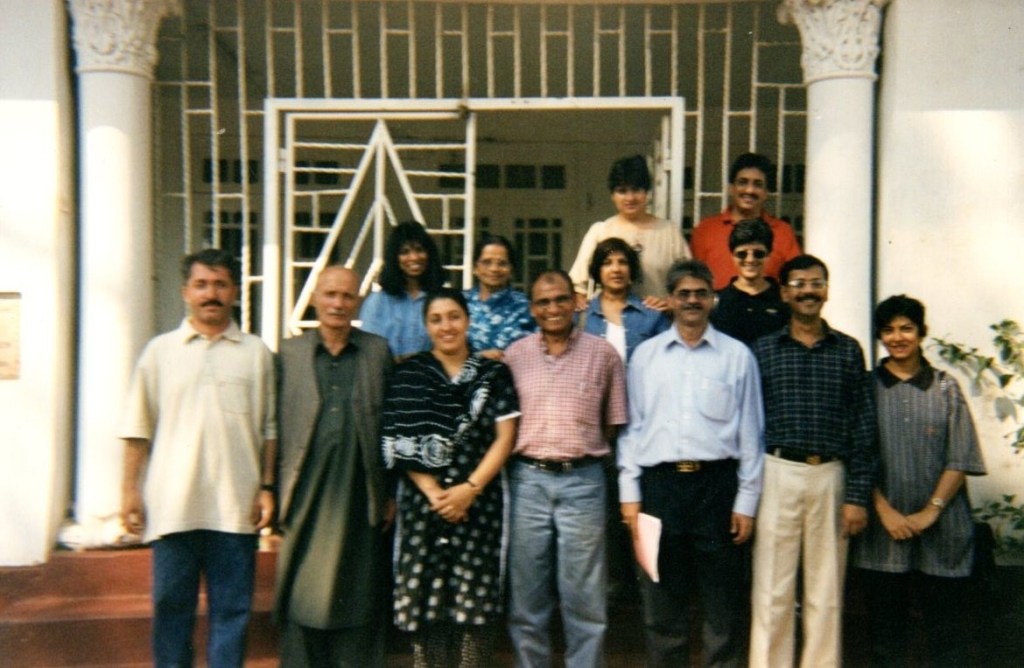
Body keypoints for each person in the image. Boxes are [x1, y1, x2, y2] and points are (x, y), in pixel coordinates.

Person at [119, 248, 276, 667]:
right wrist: (129, 493)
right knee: (172, 612)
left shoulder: (256, 352)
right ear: (185, 291)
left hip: (234, 509)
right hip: (173, 508)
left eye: (221, 284)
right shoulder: (159, 352)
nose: (212, 293)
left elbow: (269, 429)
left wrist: (265, 487)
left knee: (232, 614)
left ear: (235, 292)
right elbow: (137, 429)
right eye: (202, 284)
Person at [619, 259, 764, 667]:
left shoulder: (737, 357)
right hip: (656, 492)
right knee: (660, 604)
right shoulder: (646, 357)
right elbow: (632, 429)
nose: (693, 301)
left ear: (713, 299)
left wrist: (746, 503)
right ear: (669, 301)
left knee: (723, 606)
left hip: (717, 490)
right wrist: (630, 497)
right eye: (683, 293)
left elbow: (752, 434)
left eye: (701, 292)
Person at [748, 255, 877, 668]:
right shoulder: (765, 350)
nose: (808, 291)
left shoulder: (848, 351)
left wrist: (857, 496)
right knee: (772, 589)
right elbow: (749, 426)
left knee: (826, 590)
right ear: (784, 293)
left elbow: (863, 427)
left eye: (817, 283)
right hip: (778, 472)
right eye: (799, 283)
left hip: (830, 476)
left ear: (826, 290)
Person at [382, 287, 519, 668]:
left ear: (468, 319)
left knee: (472, 602)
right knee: (426, 601)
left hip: (478, 502)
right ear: (426, 325)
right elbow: (398, 440)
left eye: (454, 317)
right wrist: (436, 494)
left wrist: (469, 490)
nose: (447, 326)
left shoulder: (493, 373)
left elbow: (505, 438)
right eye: (436, 319)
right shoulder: (410, 373)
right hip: (424, 502)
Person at [852, 295, 986, 667]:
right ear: (880, 335)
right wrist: (884, 511)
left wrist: (931, 512)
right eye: (889, 329)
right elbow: (856, 455)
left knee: (948, 638)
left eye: (906, 328)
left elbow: (960, 457)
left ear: (921, 333)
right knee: (886, 640)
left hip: (943, 530)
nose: (898, 337)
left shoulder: (946, 388)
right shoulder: (865, 388)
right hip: (882, 532)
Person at [504, 270, 628, 668]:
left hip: (584, 481)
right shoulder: (515, 355)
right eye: (543, 302)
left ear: (577, 302)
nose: (553, 308)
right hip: (528, 481)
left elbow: (613, 423)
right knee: (527, 597)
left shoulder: (603, 353)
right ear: (532, 309)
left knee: (585, 598)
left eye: (560, 299)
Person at [273, 266, 394, 667]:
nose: (338, 303)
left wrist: (390, 491)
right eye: (330, 295)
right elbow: (272, 424)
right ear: (314, 300)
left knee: (359, 589)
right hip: (306, 492)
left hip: (362, 492)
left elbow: (392, 422)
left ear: (358, 302)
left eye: (347, 296)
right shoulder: (289, 354)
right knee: (302, 587)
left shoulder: (376, 351)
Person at [568, 154, 690, 305]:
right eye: (622, 191)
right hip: (610, 323)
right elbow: (577, 286)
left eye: (636, 190)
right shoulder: (601, 231)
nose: (630, 198)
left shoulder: (668, 232)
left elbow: (689, 282)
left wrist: (669, 304)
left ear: (647, 192)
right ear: (612, 195)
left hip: (658, 322)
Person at [690, 153, 801, 290]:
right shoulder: (706, 230)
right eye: (743, 182)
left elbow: (794, 279)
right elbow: (693, 279)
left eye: (758, 184)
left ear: (766, 192)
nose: (749, 190)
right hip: (718, 309)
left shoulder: (783, 232)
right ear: (731, 188)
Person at [360, 220, 446, 361]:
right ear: (395, 258)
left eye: (419, 249)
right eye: (404, 252)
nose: (414, 257)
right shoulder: (377, 303)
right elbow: (368, 353)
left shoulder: (441, 299)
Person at [581, 237, 671, 363]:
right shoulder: (583, 314)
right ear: (598, 270)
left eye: (622, 262)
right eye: (607, 263)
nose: (616, 269)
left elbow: (667, 360)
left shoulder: (652, 314)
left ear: (631, 269)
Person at [709, 219, 787, 346]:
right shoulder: (717, 301)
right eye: (742, 254)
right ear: (732, 255)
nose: (750, 260)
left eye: (758, 254)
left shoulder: (784, 300)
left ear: (769, 255)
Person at [464, 234, 535, 360]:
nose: (494, 269)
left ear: (511, 270)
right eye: (487, 262)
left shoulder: (525, 306)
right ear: (475, 268)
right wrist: (478, 358)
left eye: (502, 263)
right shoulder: (460, 303)